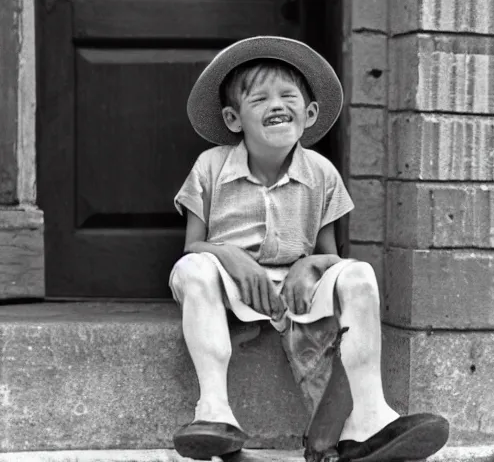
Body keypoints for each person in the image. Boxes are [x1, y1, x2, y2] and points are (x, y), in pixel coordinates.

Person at [169, 36, 449, 461]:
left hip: (292, 287)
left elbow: (329, 253)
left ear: (310, 113)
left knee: (358, 274)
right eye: (259, 98)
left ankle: (369, 418)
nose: (276, 104)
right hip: (222, 279)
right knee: (194, 270)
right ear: (233, 118)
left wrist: (311, 266)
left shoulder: (321, 172)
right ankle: (214, 412)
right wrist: (230, 256)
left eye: (287, 96)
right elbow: (193, 246)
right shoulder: (211, 165)